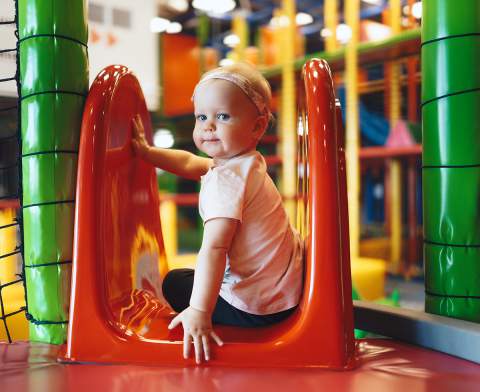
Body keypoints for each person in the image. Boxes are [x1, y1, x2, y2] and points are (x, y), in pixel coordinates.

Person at [131, 62, 303, 364]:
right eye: (202, 116)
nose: (208, 126)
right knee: (191, 277)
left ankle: (212, 313)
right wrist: (147, 152)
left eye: (222, 116)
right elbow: (189, 162)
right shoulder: (247, 162)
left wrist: (199, 311)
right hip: (282, 295)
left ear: (257, 126)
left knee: (174, 281)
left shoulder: (226, 180)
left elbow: (215, 248)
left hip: (254, 309)